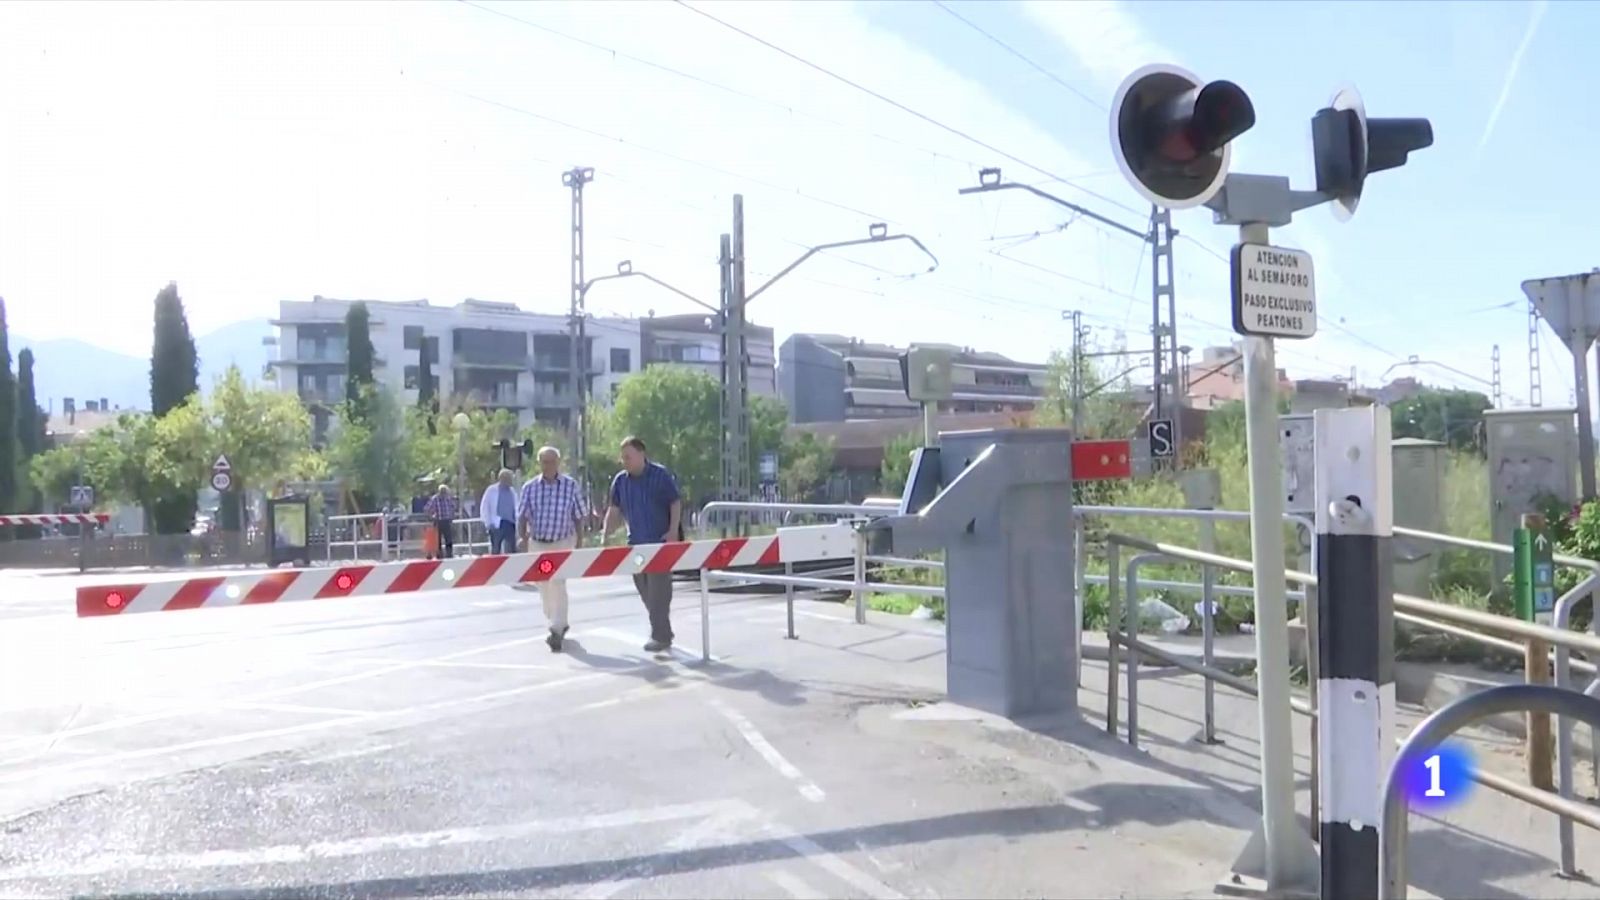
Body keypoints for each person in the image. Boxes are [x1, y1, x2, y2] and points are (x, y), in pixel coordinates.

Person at [602, 436, 682, 653]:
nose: (624, 461)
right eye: (623, 457)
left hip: (659, 544)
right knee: (645, 590)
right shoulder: (620, 481)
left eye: (628, 456)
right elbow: (615, 510)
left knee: (658, 592)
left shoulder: (660, 475)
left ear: (641, 454)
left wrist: (673, 530)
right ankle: (662, 628)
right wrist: (606, 534)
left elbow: (675, 502)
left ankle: (660, 636)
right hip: (635, 545)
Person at [518, 446, 586, 652]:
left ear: (558, 463)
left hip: (562, 541)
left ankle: (557, 628)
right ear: (539, 463)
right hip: (538, 542)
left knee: (558, 582)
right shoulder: (530, 487)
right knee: (543, 583)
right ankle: (555, 618)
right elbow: (522, 514)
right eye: (544, 462)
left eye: (552, 462)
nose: (548, 466)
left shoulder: (570, 486)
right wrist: (523, 536)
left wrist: (580, 539)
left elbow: (579, 515)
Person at [479, 468, 521, 555]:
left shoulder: (512, 492)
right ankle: (494, 566)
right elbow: (485, 507)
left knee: (512, 548)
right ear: (502, 478)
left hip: (510, 523)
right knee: (496, 548)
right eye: (509, 478)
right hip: (497, 523)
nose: (511, 481)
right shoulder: (491, 490)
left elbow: (516, 507)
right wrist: (488, 523)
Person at [422, 483, 458, 560]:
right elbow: (426, 509)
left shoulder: (448, 499)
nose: (444, 493)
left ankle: (449, 554)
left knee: (448, 538)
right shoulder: (435, 499)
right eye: (442, 491)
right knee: (438, 540)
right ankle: (439, 555)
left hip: (447, 521)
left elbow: (453, 507)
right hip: (438, 521)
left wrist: (452, 516)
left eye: (445, 491)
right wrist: (431, 517)